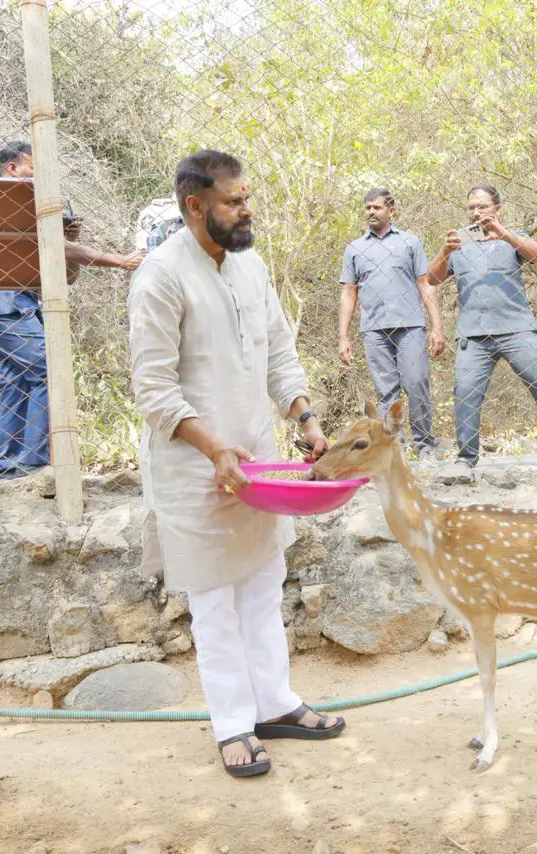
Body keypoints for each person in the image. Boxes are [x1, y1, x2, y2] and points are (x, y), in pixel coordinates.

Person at [128, 149, 345, 778]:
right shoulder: (161, 276)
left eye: (247, 198)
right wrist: (215, 448)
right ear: (195, 207)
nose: (246, 210)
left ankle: (275, 704)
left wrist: (304, 418)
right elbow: (154, 389)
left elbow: (278, 350)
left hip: (257, 461)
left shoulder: (251, 268)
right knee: (215, 597)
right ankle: (231, 725)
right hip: (195, 468)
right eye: (233, 201)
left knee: (262, 579)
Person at [0, 141, 146, 480]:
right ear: (13, 168)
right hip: (1, 302)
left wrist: (68, 236)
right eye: (35, 168)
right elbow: (55, 245)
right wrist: (119, 261)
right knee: (46, 369)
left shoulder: (30, 206)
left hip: (4, 304)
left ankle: (7, 468)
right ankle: (34, 463)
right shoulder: (3, 201)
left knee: (16, 383)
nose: (41, 176)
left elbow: (67, 277)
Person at [427, 183, 537, 475]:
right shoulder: (458, 243)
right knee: (465, 393)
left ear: (497, 209)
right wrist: (444, 250)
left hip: (517, 330)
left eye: (483, 206)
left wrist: (504, 234)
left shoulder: (513, 237)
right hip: (473, 336)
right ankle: (466, 460)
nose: (476, 212)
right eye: (471, 207)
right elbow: (431, 279)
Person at [338, 188, 445, 462]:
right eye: (368, 208)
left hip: (410, 326)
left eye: (377, 207)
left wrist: (437, 326)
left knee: (417, 383)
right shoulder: (355, 248)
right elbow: (349, 292)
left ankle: (426, 447)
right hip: (374, 330)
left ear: (392, 211)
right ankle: (395, 449)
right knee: (386, 393)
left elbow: (426, 284)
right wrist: (343, 336)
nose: (371, 212)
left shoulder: (410, 243)